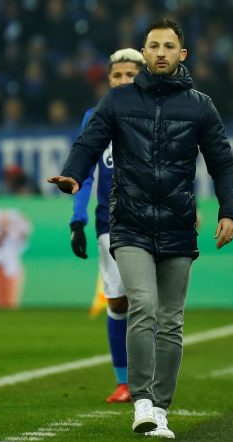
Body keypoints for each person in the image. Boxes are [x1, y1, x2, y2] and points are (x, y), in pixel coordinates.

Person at [48, 19, 233, 438]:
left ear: (181, 54)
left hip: (177, 227)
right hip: (130, 225)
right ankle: (141, 402)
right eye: (153, 46)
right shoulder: (118, 101)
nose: (160, 52)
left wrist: (230, 211)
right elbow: (89, 143)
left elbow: (222, 162)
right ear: (144, 52)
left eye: (168, 46)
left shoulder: (200, 106)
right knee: (143, 305)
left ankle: (161, 408)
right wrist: (73, 175)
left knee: (171, 321)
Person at [69, 48, 146, 404]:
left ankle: (149, 381)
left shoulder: (158, 113)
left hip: (152, 219)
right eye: (117, 76)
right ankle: (123, 383)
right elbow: (84, 173)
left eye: (131, 75)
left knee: (147, 303)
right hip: (110, 223)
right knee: (117, 302)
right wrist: (77, 220)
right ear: (109, 81)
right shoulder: (95, 117)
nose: (123, 81)